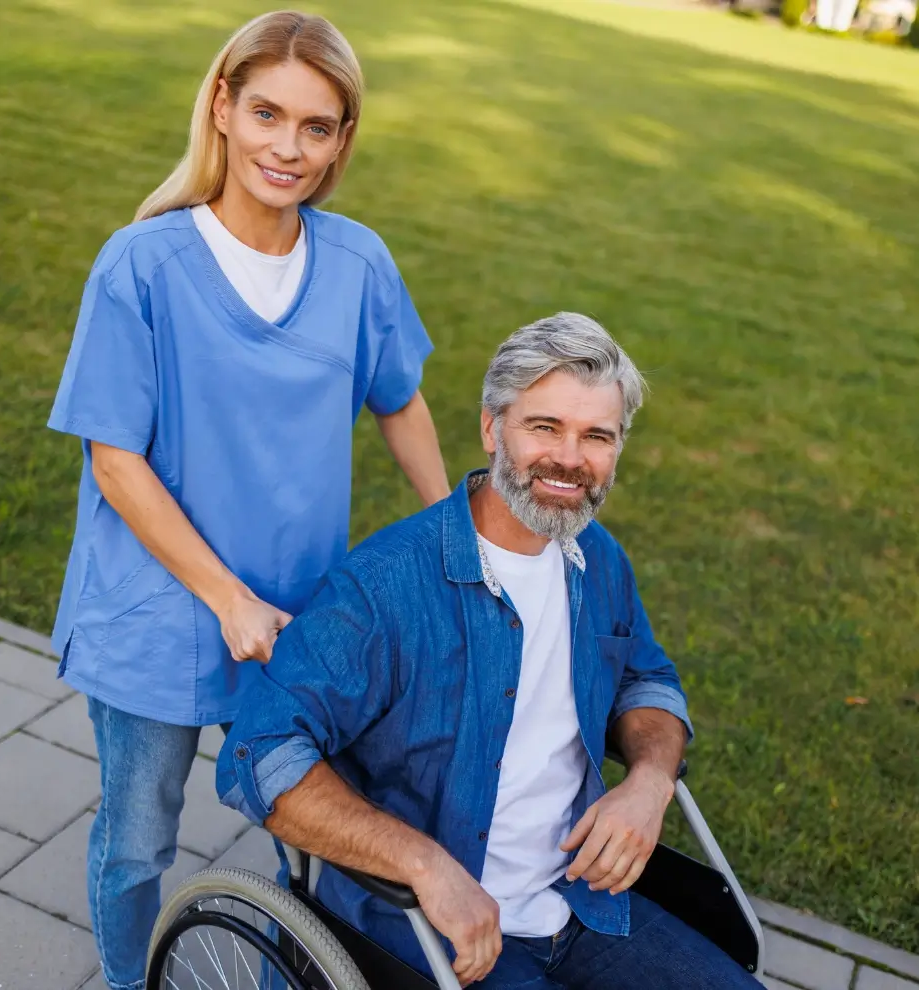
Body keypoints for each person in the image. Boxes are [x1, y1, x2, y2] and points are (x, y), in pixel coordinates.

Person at [47, 11, 450, 990]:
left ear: (343, 139)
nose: (288, 146)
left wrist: (458, 537)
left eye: (317, 126)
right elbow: (115, 463)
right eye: (267, 112)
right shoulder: (139, 266)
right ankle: (128, 976)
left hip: (299, 620)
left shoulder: (357, 264)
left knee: (309, 840)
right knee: (139, 834)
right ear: (221, 105)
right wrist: (224, 597)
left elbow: (398, 400)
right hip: (159, 616)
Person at [216, 313, 758, 989]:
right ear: (490, 428)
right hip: (433, 929)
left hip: (582, 903)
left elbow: (646, 678)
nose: (570, 458)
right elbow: (258, 754)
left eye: (597, 436)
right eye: (544, 427)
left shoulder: (599, 561)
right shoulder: (383, 587)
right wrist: (424, 864)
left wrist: (649, 783)